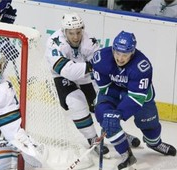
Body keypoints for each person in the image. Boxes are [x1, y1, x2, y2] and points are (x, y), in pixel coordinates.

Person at [45, 13, 140, 158]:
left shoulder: (89, 41)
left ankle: (115, 132)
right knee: (76, 102)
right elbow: (68, 71)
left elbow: (100, 66)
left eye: (78, 32)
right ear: (64, 31)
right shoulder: (54, 42)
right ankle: (92, 139)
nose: (76, 37)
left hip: (85, 77)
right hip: (60, 77)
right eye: (71, 33)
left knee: (101, 106)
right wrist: (91, 67)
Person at [90, 31, 176, 170]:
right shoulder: (101, 59)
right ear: (113, 49)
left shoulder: (142, 66)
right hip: (113, 91)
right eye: (117, 53)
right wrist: (109, 114)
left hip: (139, 96)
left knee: (149, 126)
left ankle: (155, 143)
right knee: (106, 119)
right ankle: (127, 155)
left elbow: (136, 98)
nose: (120, 58)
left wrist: (118, 113)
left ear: (132, 52)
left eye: (125, 54)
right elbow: (104, 89)